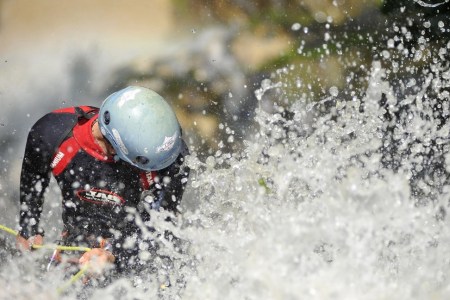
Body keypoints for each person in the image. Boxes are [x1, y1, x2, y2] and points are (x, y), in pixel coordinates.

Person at [15, 86, 190, 279]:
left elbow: (160, 221)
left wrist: (112, 254)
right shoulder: (52, 134)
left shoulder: (171, 159)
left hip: (140, 249)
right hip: (78, 244)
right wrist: (29, 227)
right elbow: (34, 177)